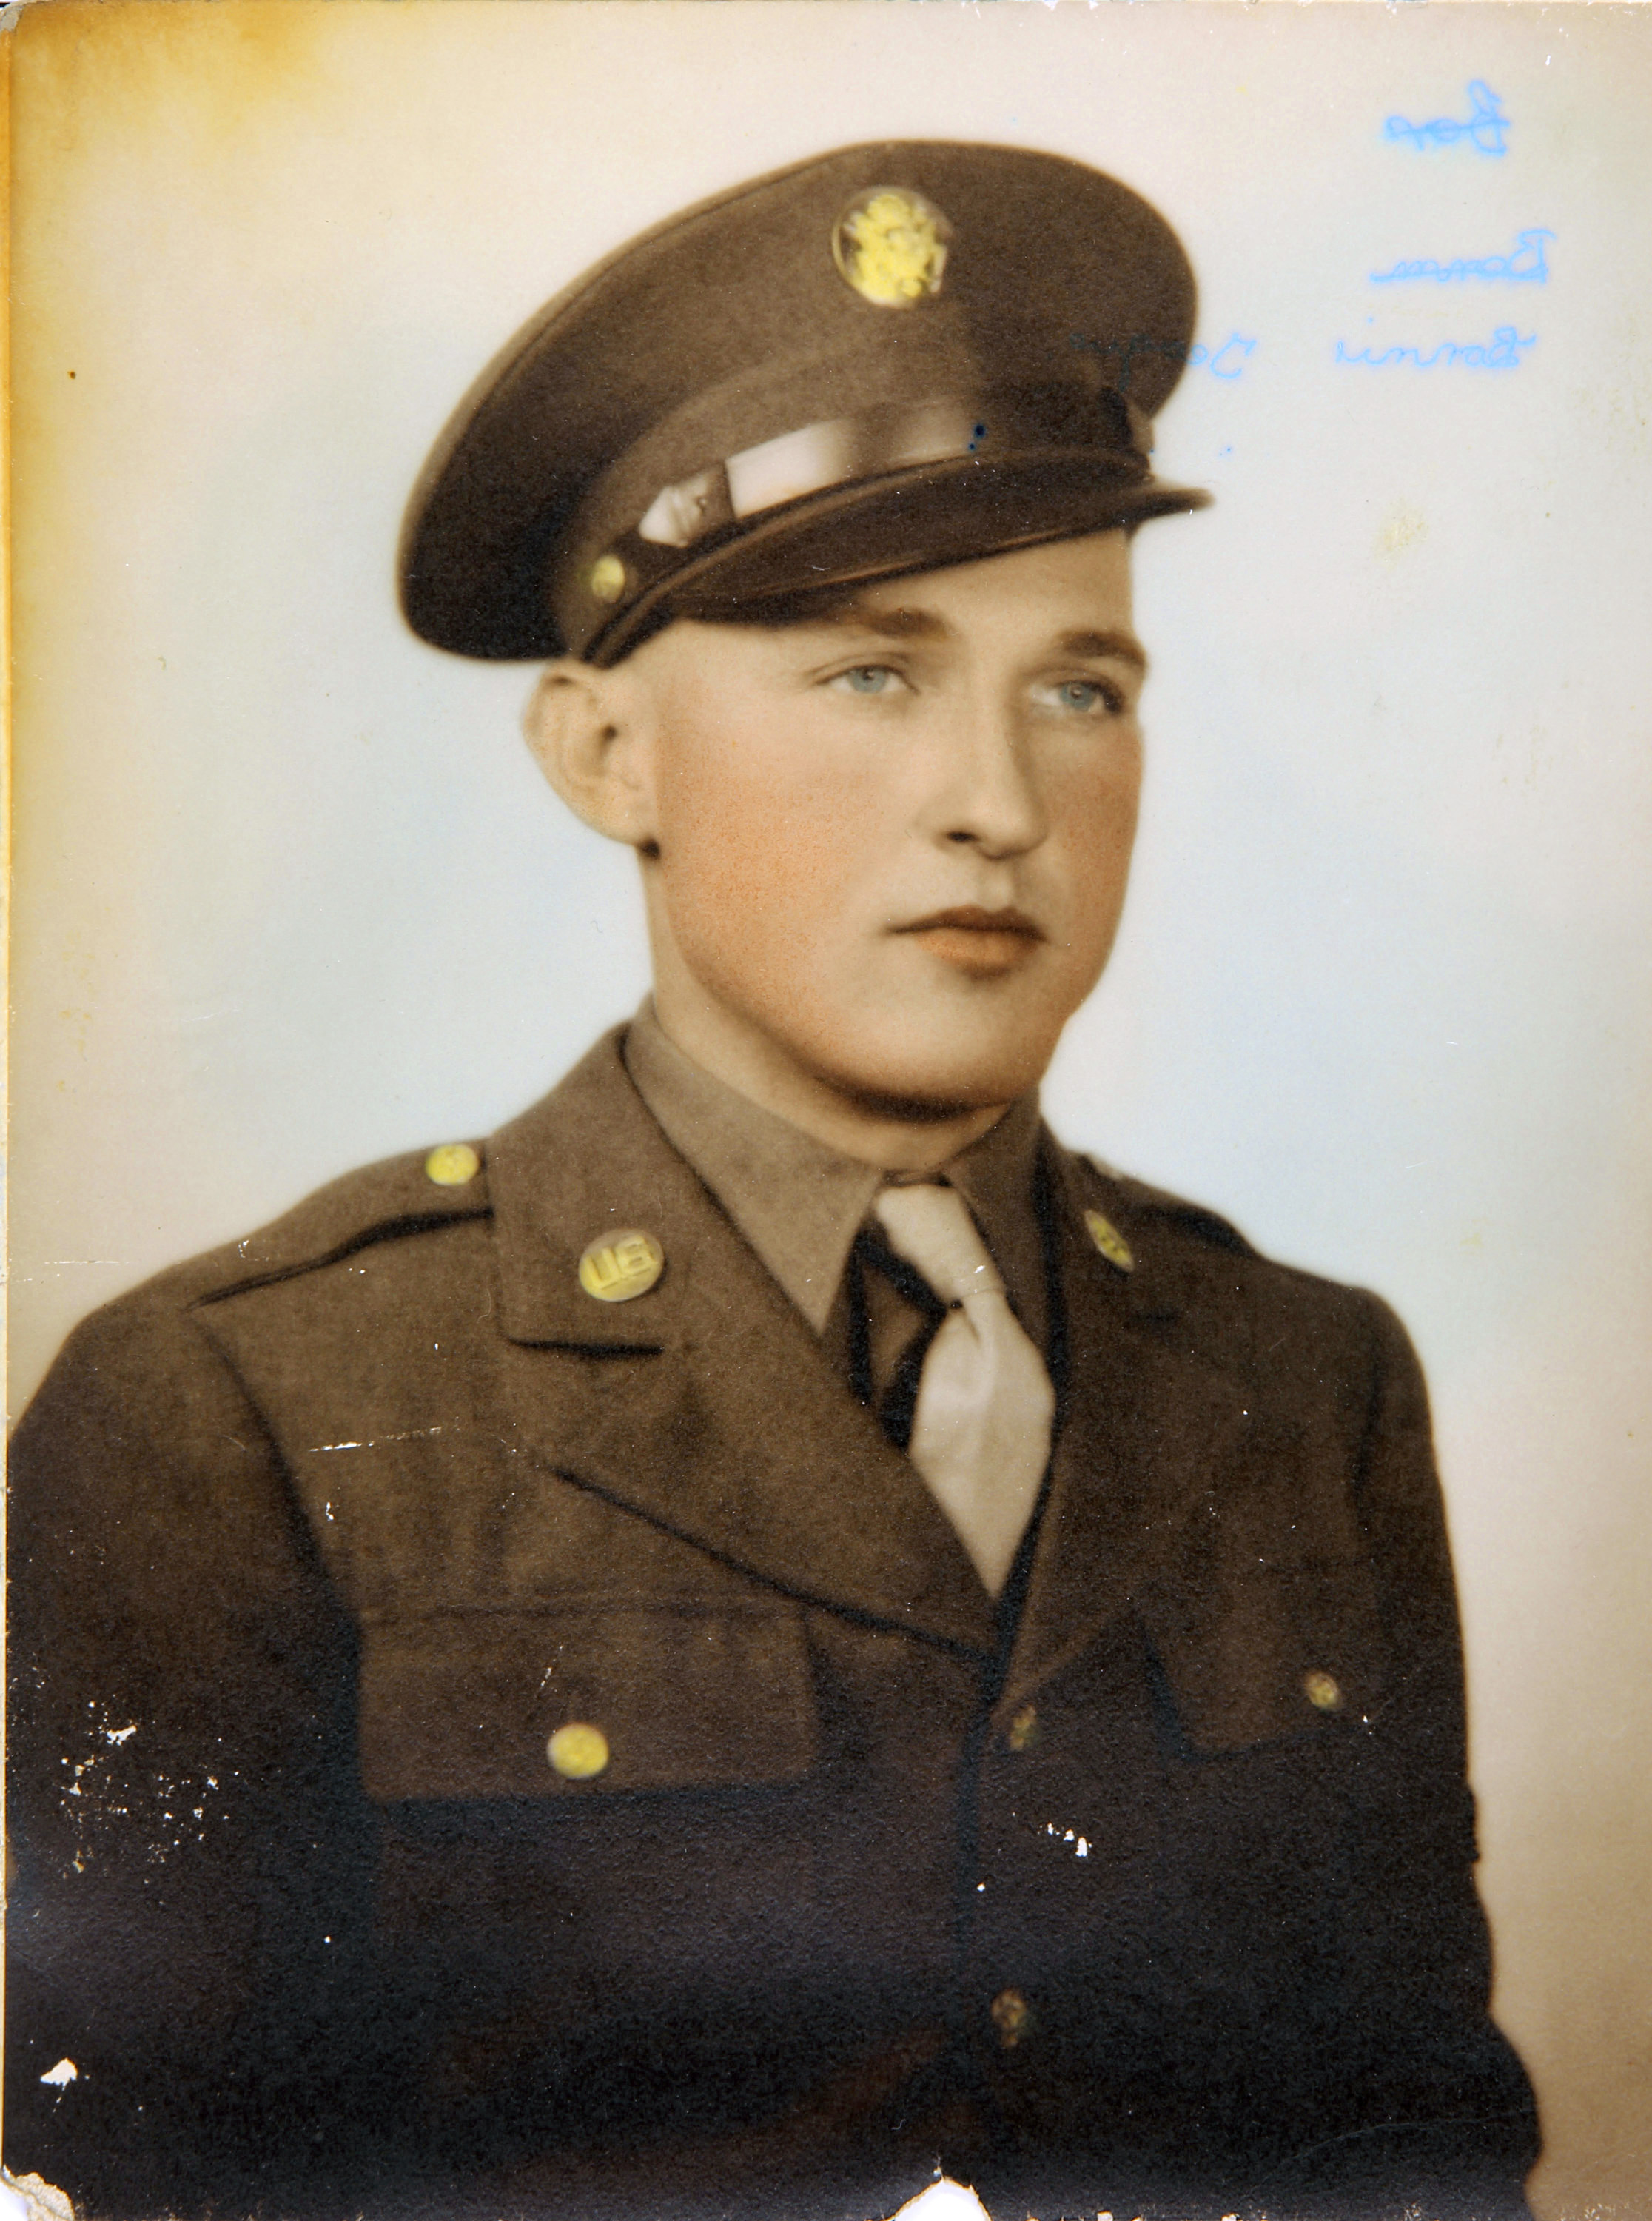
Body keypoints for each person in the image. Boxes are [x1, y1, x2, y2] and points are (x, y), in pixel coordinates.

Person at [6, 141, 1539, 2221]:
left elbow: (1421, 2154)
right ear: (604, 757)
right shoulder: (236, 1413)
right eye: (872, 673)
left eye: (1079, 689)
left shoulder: (1310, 1379)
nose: (998, 803)